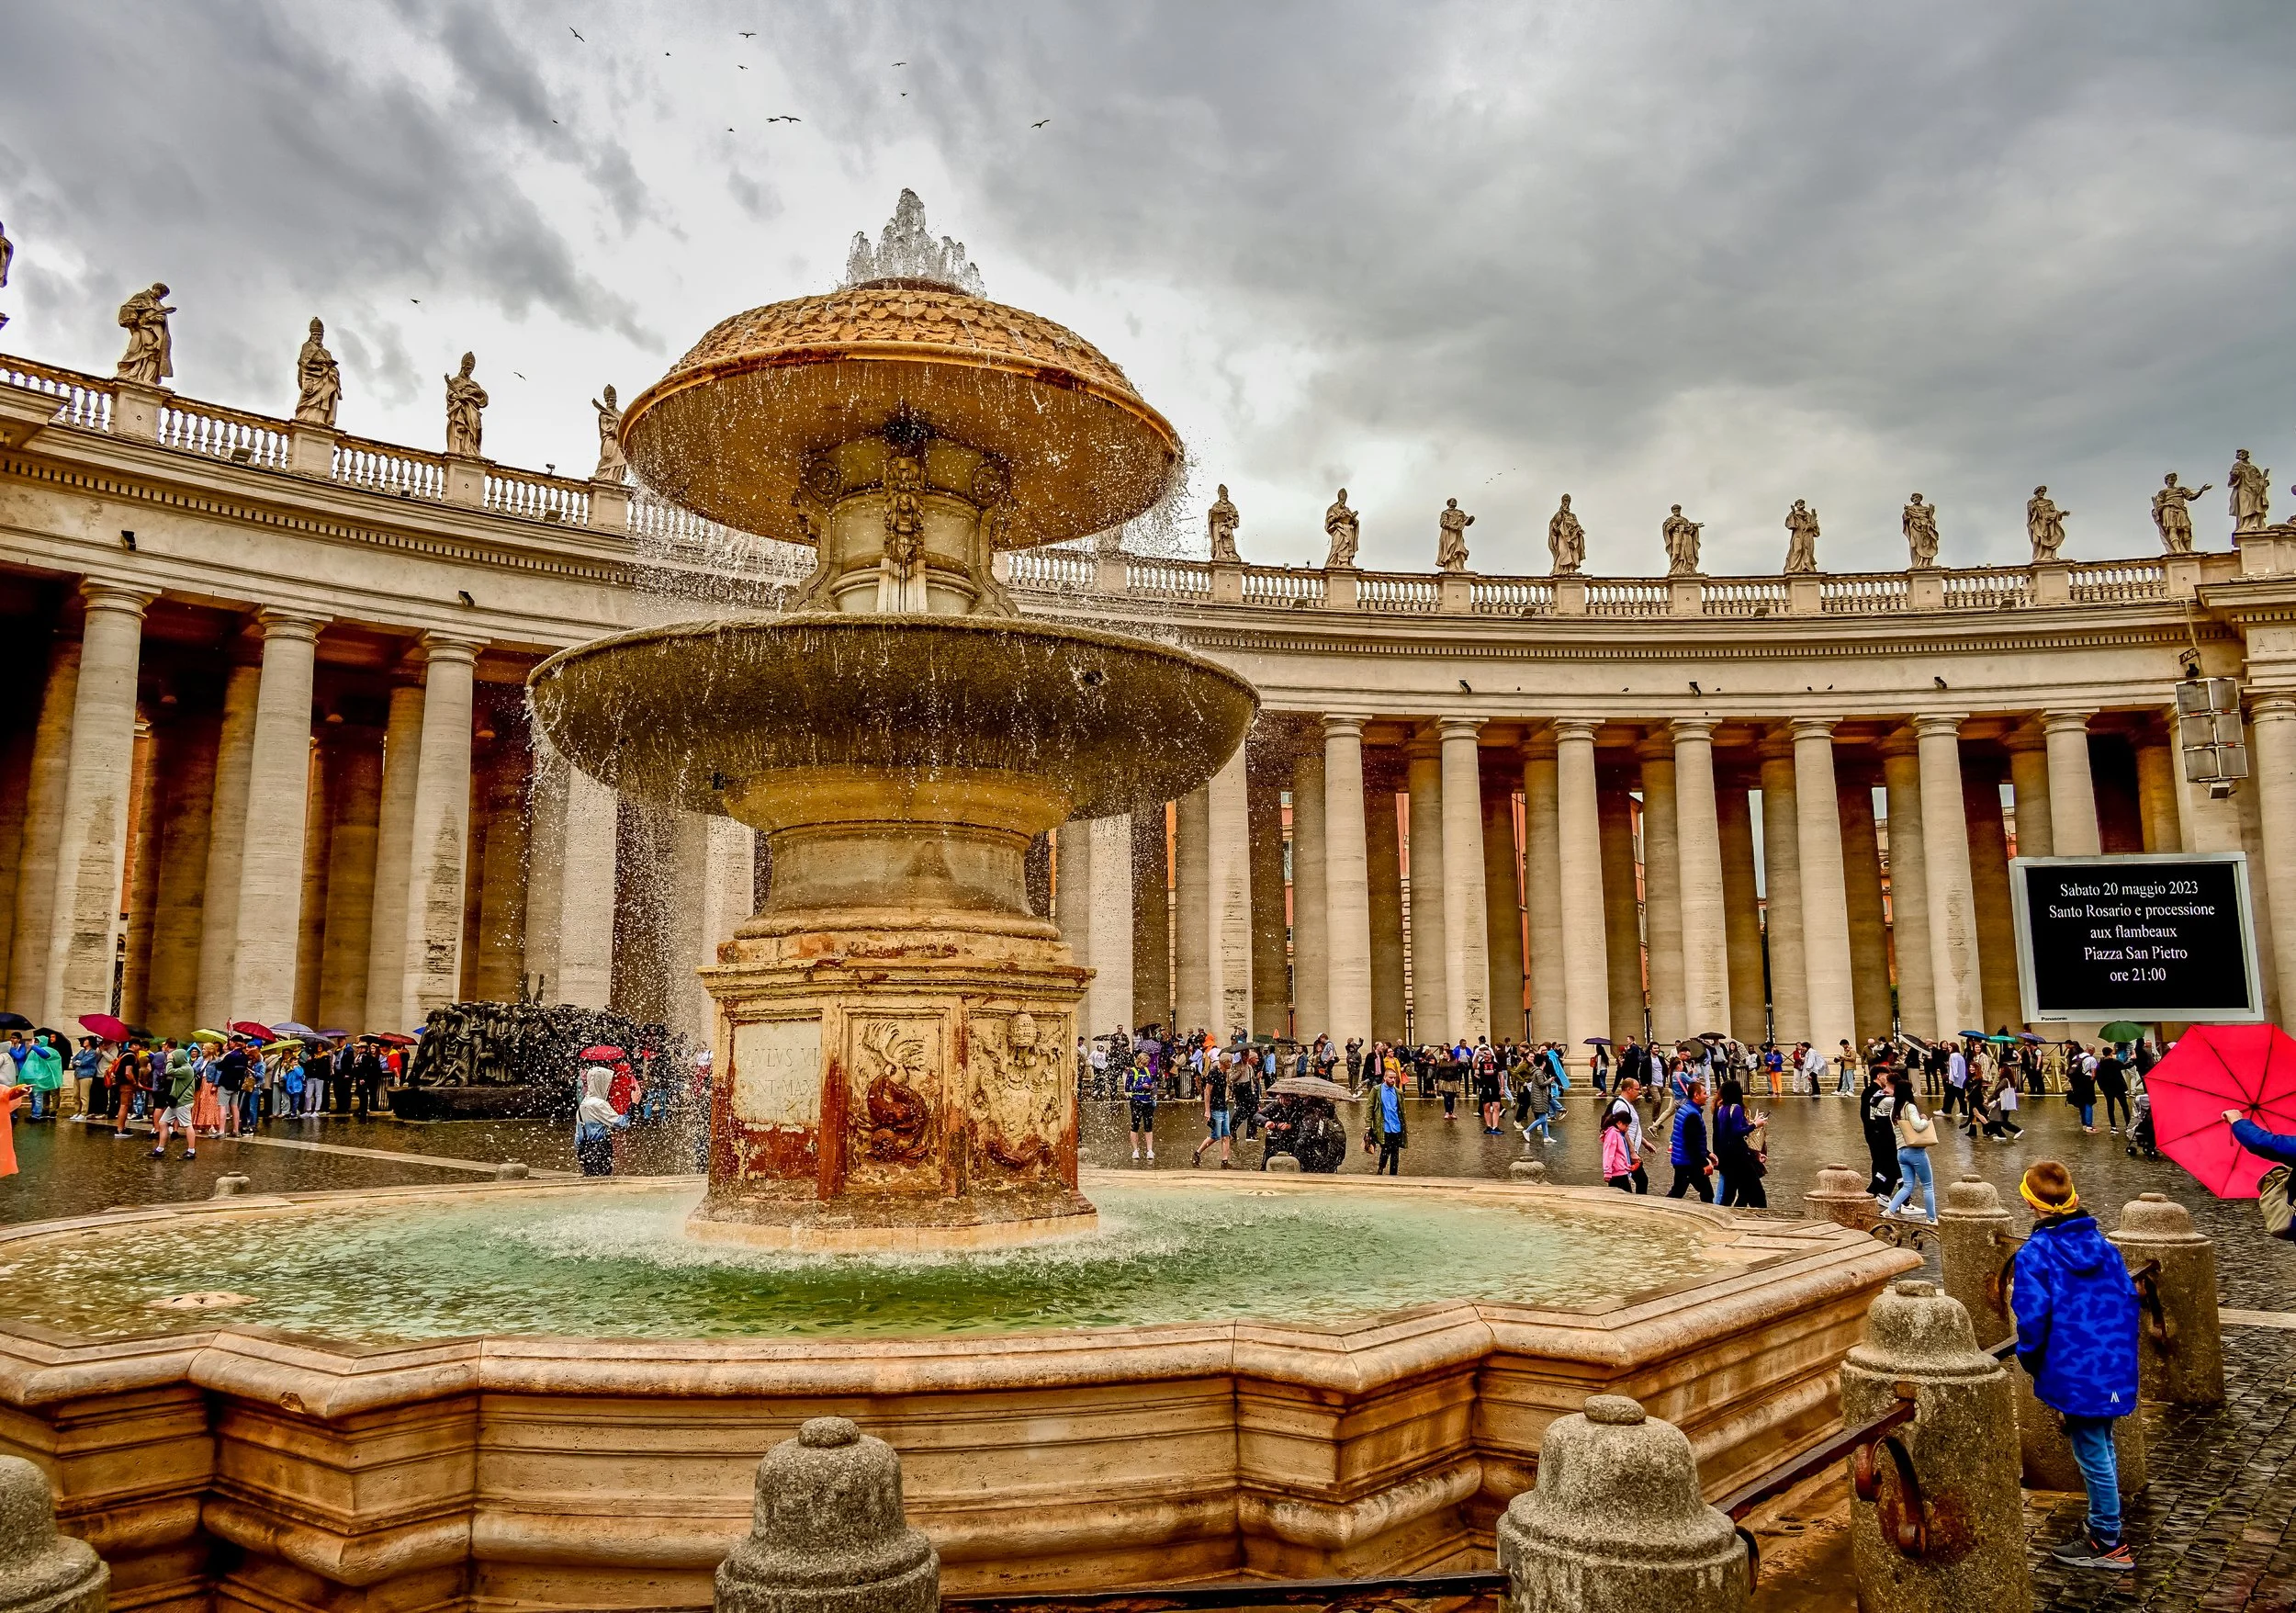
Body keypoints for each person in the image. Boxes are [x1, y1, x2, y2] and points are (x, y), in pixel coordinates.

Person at [2011, 1160, 2139, 1573]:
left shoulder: (2035, 1254)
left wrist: (2032, 1360)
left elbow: (2032, 1320)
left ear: (2030, 1204)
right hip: (2111, 1362)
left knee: (2092, 1451)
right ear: (2075, 1198)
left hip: (2072, 1367)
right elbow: (2128, 1301)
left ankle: (2107, 1540)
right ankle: (2105, 1521)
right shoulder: (2103, 1246)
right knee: (2102, 1443)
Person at [1881, 1074, 1937, 1223]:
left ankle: (1890, 1210)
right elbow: (1917, 1126)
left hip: (1901, 1152)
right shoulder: (1909, 1107)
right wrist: (1925, 1120)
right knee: (1928, 1186)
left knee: (1907, 1186)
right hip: (1915, 1151)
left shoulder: (1894, 1109)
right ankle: (1931, 1219)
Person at [1712, 1079, 1766, 1208]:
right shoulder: (1735, 1108)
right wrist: (1755, 1125)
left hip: (1727, 1156)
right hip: (1739, 1156)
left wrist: (1752, 1123)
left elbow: (1727, 1131)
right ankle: (1761, 1213)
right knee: (1756, 1189)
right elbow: (1737, 1132)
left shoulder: (1721, 1108)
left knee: (1730, 1191)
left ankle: (1726, 1211)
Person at [1665, 1081, 1715, 1201]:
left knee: (1678, 1191)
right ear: (1696, 1095)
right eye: (1704, 1093)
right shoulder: (1692, 1115)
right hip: (1688, 1162)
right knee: (1706, 1192)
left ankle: (1662, 1208)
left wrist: (1708, 1153)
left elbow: (1690, 1138)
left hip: (1683, 1160)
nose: (1707, 1096)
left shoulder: (1685, 1109)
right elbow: (1692, 1143)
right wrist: (1704, 1163)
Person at [573, 1066, 625, 1176]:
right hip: (600, 1149)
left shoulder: (583, 1104)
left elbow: (577, 1137)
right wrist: (634, 1105)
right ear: (600, 1082)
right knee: (603, 1180)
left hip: (584, 1150)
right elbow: (621, 1123)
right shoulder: (599, 1104)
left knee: (590, 1178)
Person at [1860, 1064, 1901, 1200]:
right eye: (1886, 1076)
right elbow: (1867, 1114)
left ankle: (1879, 1191)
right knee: (1883, 1163)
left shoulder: (1876, 1091)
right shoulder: (1873, 1092)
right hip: (1877, 1132)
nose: (1888, 1079)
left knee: (1884, 1163)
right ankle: (1876, 1191)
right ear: (1879, 1076)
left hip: (1879, 1132)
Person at [150, 1047, 199, 1160]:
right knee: (163, 1122)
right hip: (176, 1102)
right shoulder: (184, 1067)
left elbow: (169, 1071)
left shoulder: (186, 1069)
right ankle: (160, 1149)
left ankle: (191, 1151)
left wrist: (170, 1060)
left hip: (183, 1102)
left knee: (187, 1126)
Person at [1603, 1079, 1652, 1193]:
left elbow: (1633, 1128)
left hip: (1628, 1152)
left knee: (1638, 1181)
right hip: (1626, 1152)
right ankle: (1637, 1202)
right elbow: (1624, 1132)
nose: (1639, 1092)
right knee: (1641, 1180)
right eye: (1637, 1089)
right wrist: (1632, 1152)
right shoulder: (1622, 1106)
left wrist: (1644, 1142)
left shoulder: (1627, 1104)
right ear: (1629, 1089)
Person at [1192, 1054, 1232, 1167]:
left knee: (1226, 1135)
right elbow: (1207, 1092)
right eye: (1230, 1062)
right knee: (1215, 1135)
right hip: (1215, 1108)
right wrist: (1207, 1110)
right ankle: (1197, 1152)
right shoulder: (1213, 1073)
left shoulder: (1224, 1073)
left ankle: (1225, 1161)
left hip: (1223, 1107)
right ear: (1225, 1063)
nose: (1231, 1064)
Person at [1368, 1061, 1407, 1175]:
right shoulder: (1377, 1090)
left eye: (1394, 1078)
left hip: (1396, 1126)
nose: (1393, 1080)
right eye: (1390, 1077)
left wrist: (1403, 1125)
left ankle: (1393, 1173)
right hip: (1384, 1126)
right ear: (1385, 1078)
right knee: (1385, 1149)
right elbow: (1370, 1106)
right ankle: (1381, 1168)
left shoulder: (1398, 1092)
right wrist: (1368, 1124)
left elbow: (1402, 1110)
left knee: (1395, 1151)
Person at [1124, 1053, 1157, 1161]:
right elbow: (1128, 1088)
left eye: (1147, 1063)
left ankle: (1150, 1150)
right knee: (1135, 1125)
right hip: (1137, 1101)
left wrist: (1151, 1087)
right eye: (1144, 1063)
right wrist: (1141, 1087)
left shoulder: (1147, 1071)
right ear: (1139, 1061)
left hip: (1147, 1101)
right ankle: (1135, 1151)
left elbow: (1152, 1084)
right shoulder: (1133, 1071)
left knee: (1148, 1126)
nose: (1145, 1065)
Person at [2095, 1047, 2131, 1134]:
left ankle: (2113, 1127)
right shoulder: (2115, 1062)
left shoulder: (2100, 1064)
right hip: (2118, 1087)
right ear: (2111, 1053)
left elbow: (2098, 1076)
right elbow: (2126, 1066)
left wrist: (2102, 1087)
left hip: (2107, 1088)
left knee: (2110, 1107)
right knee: (2124, 1106)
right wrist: (2133, 1059)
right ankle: (2128, 1125)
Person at [1602, 1106, 1637, 1193]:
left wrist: (1626, 1165)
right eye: (1626, 1125)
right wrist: (1607, 1172)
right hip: (1617, 1173)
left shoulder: (1616, 1133)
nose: (1627, 1128)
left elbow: (1620, 1154)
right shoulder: (1613, 1134)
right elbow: (1609, 1154)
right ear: (1619, 1123)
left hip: (1621, 1171)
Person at [2066, 1048, 2098, 1134]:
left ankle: (2084, 1125)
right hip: (2087, 1081)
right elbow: (2093, 1074)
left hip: (2076, 1082)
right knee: (2088, 1103)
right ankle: (2089, 1126)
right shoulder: (2092, 1059)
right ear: (2091, 1050)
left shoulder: (2075, 1057)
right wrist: (2092, 1082)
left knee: (2081, 1104)